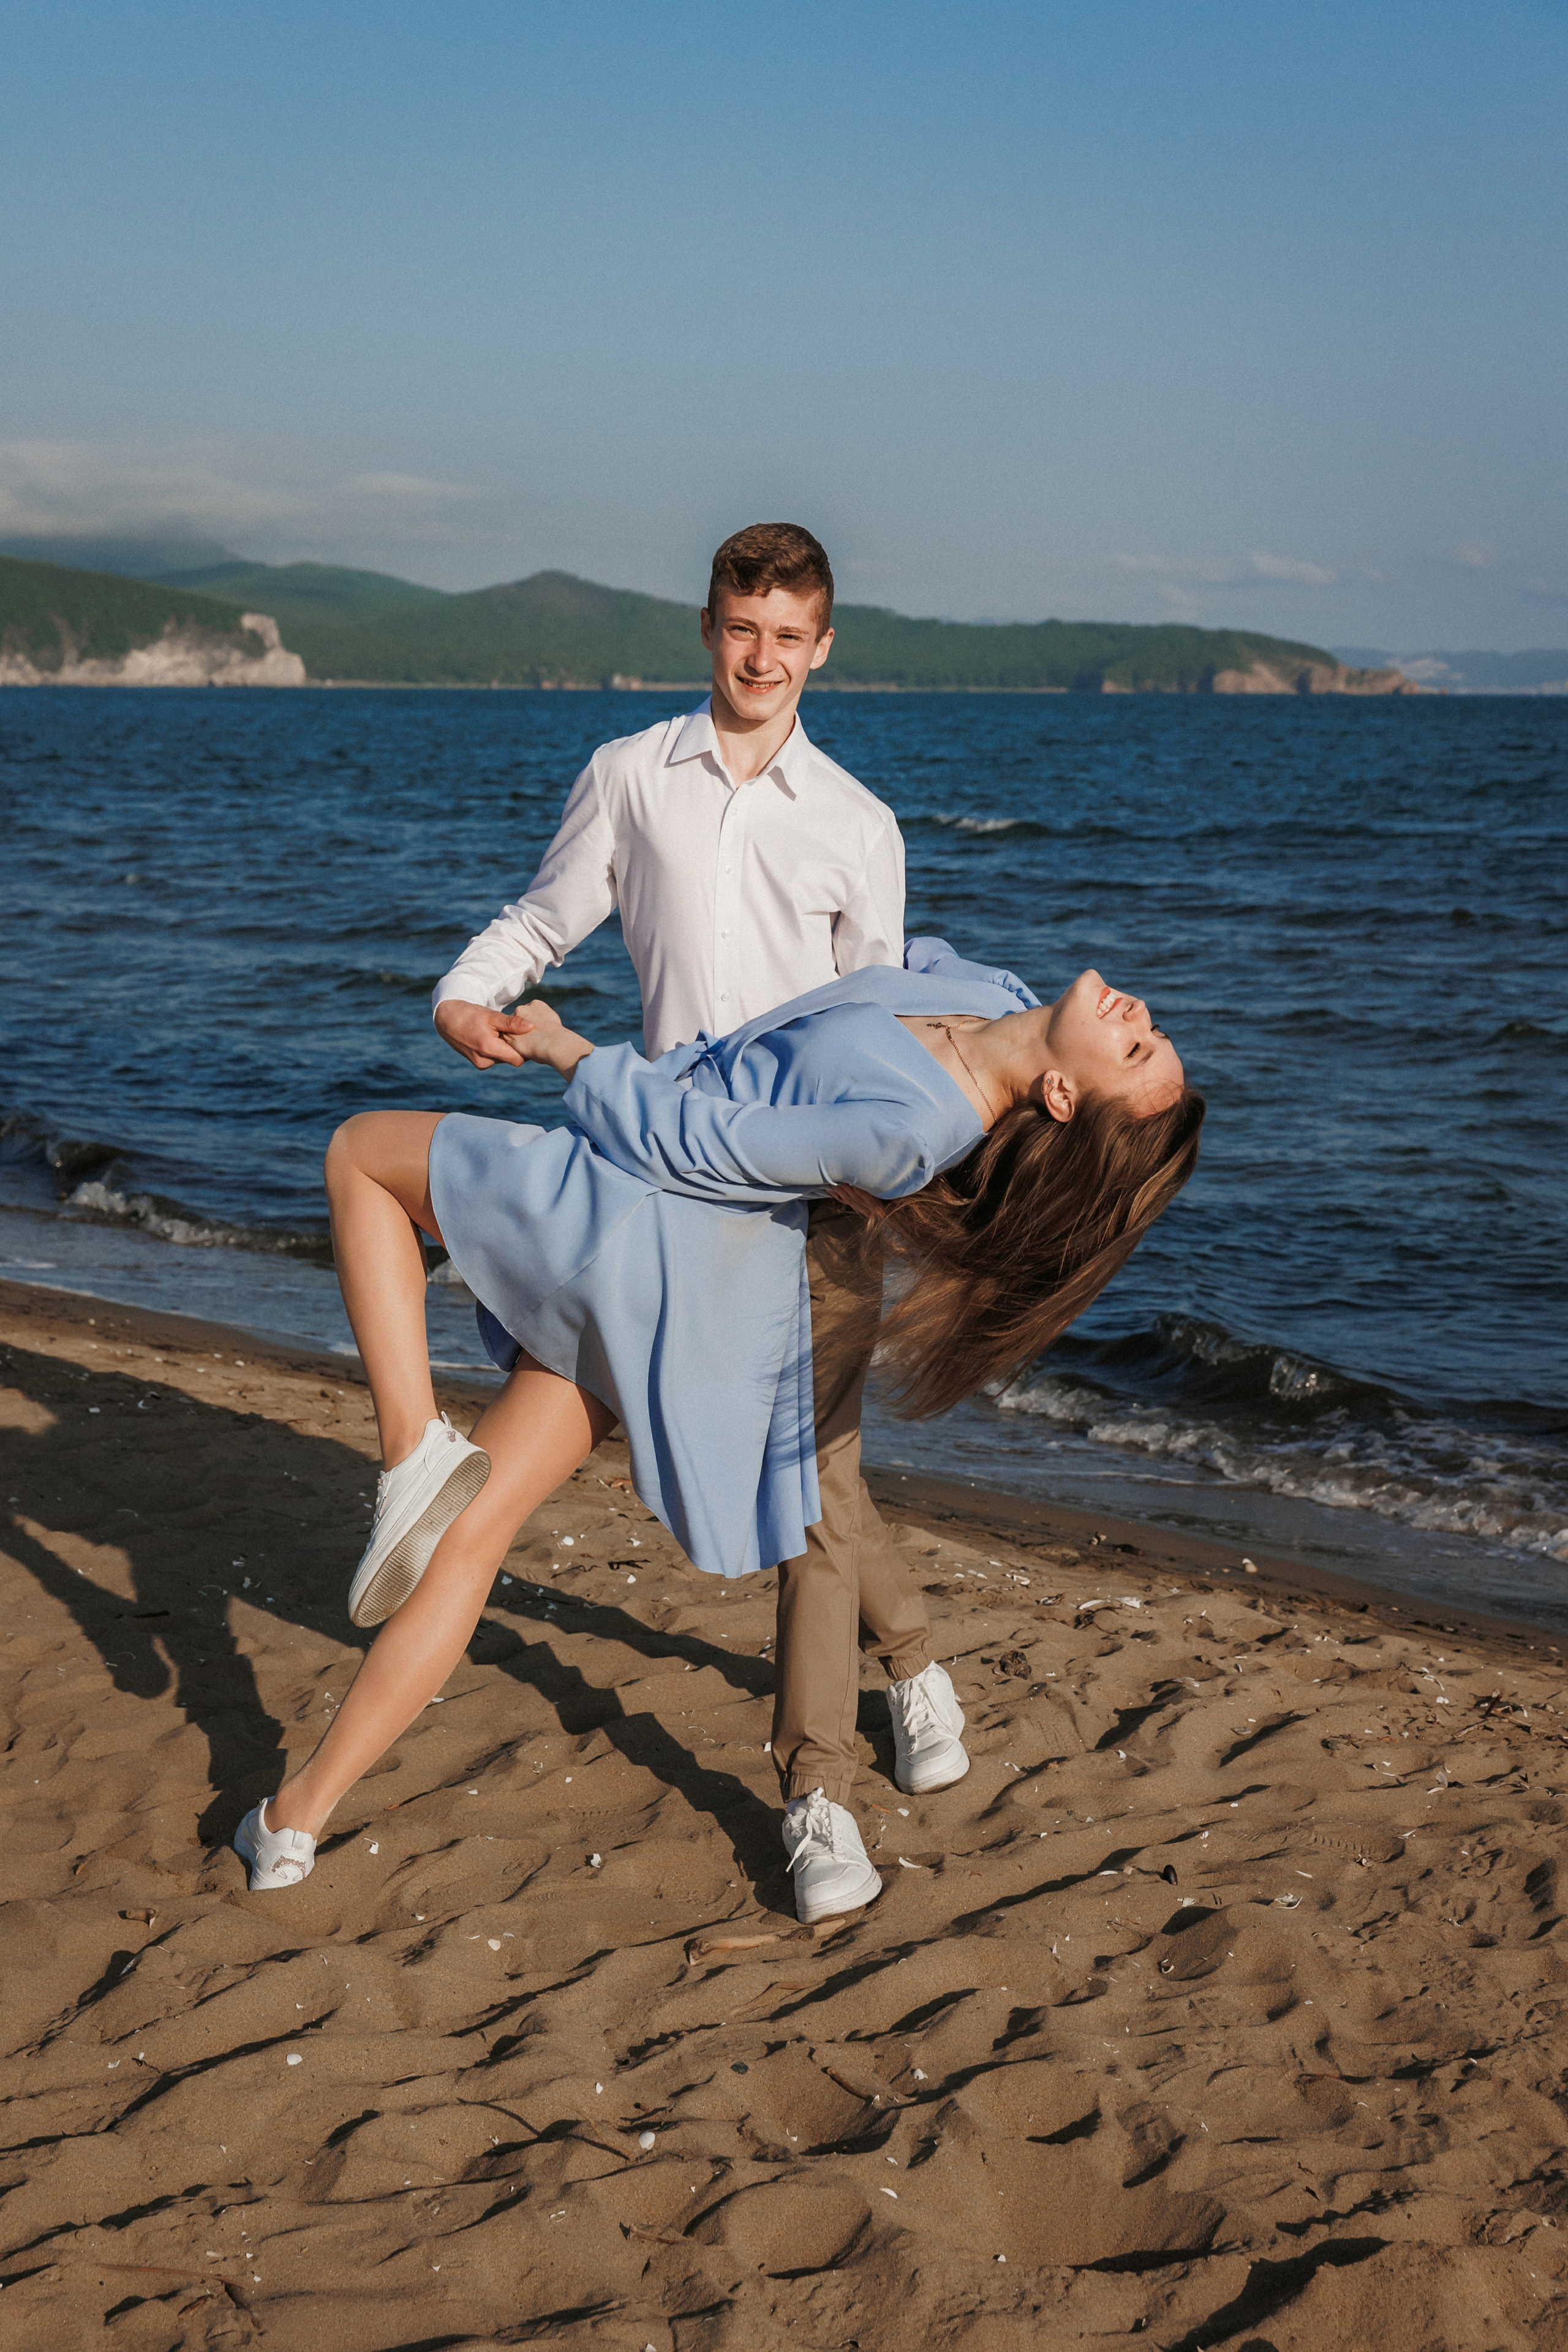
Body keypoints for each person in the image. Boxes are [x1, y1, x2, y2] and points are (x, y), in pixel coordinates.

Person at [233, 958, 1204, 1922]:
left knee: (359, 1151)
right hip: (668, 1289)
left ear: (1066, 1094)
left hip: (630, 1222)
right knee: (469, 1541)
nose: (1139, 1011)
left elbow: (695, 1140)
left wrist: (571, 1050)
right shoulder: (984, 995)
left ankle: (412, 1451)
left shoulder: (914, 1132)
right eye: (1153, 1031)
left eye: (1133, 1046)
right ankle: (290, 1823)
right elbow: (898, 963)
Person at [425, 519, 1023, 1903]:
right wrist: (468, 988)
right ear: (710, 629)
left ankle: (813, 1790)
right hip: (669, 1171)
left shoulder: (856, 826)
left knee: (809, 1477)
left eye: (788, 637)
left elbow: (881, 1025)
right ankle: (917, 1659)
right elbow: (541, 917)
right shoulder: (630, 777)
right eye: (741, 630)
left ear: (823, 647)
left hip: (819, 1197)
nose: (761, 658)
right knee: (822, 1478)